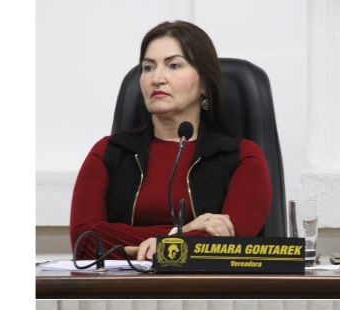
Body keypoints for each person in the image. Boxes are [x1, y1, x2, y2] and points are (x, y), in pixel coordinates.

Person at [69, 21, 272, 262]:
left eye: (174, 65)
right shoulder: (108, 152)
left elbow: (229, 244)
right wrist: (180, 232)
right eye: (147, 67)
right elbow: (85, 242)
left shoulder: (242, 156)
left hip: (210, 295)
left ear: (205, 84)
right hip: (122, 293)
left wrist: (138, 247)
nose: (157, 78)